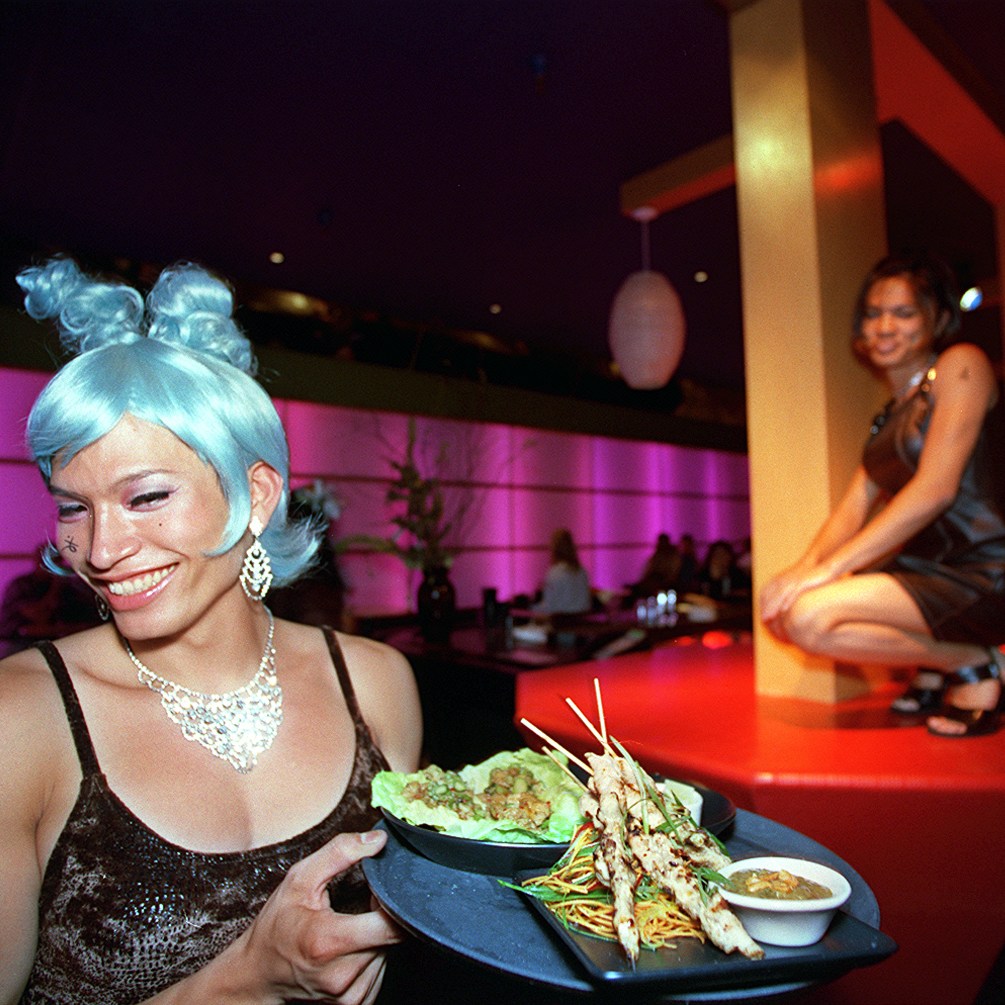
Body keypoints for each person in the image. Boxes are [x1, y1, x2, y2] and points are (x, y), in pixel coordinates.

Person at [0, 257, 422, 1003]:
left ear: (255, 495)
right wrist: (245, 981)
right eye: (72, 506)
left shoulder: (377, 682)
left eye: (147, 495)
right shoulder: (21, 719)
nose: (99, 549)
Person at [760, 251, 1005, 738]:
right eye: (873, 314)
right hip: (929, 568)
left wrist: (828, 572)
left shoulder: (961, 365)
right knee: (784, 609)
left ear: (936, 318)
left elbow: (935, 489)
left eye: (903, 312)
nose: (884, 326)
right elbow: (853, 507)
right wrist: (803, 568)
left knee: (810, 617)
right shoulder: (887, 414)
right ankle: (942, 668)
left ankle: (976, 665)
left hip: (984, 565)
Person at [533, 527, 592, 615]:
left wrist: (531, 608)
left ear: (554, 549)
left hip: (561, 624)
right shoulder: (582, 571)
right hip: (582, 623)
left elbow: (550, 606)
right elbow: (586, 603)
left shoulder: (555, 573)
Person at [631, 532, 682, 600]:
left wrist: (666, 579)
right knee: (638, 589)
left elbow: (673, 572)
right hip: (654, 579)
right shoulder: (657, 555)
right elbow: (648, 568)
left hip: (663, 580)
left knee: (642, 589)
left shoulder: (673, 555)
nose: (660, 544)